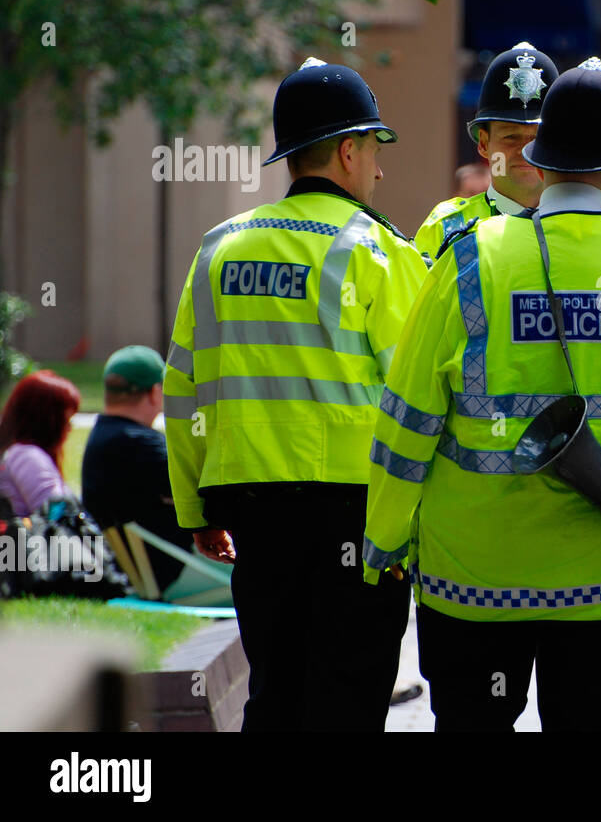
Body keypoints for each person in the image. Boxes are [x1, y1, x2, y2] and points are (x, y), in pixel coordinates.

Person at [363, 58, 601, 731]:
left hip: (475, 578)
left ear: (542, 165)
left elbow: (407, 419)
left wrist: (383, 544)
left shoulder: (467, 257)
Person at [162, 57, 428, 731]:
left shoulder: (219, 249)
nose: (380, 169)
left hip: (253, 511)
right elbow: (418, 399)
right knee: (348, 699)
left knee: (274, 695)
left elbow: (184, 390)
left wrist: (196, 506)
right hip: (358, 519)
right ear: (346, 151)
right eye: (373, 150)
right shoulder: (380, 252)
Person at [412, 42, 560, 263]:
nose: (525, 151)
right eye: (510, 137)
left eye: (538, 137)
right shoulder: (445, 229)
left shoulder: (583, 226)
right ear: (483, 143)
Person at [82, 345, 195, 593]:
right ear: (156, 392)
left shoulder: (102, 436)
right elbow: (200, 486)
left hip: (135, 569)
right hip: (175, 573)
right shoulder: (139, 444)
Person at [0, 370, 80, 517]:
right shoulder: (27, 457)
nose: (69, 428)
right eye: (66, 420)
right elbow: (57, 517)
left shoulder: (13, 452)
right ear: (49, 421)